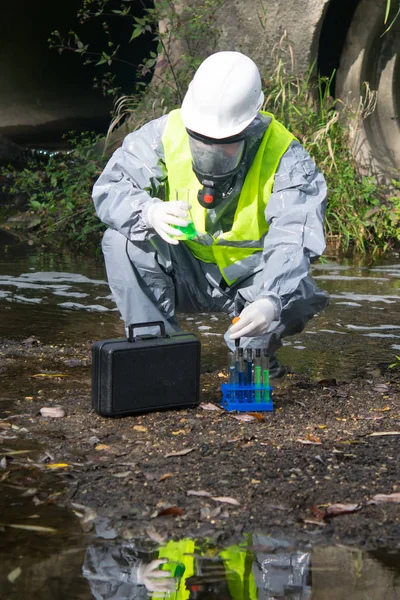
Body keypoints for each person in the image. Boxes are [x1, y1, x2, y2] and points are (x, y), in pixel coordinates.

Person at [92, 51, 329, 378]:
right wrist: (148, 211)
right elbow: (110, 188)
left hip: (254, 282)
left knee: (296, 292)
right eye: (201, 143)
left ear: (247, 129)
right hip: (188, 272)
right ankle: (159, 353)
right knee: (120, 241)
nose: (210, 156)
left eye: (223, 146)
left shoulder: (286, 157)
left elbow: (293, 239)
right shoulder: (165, 132)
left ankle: (254, 357)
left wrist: (271, 301)